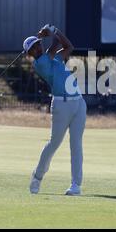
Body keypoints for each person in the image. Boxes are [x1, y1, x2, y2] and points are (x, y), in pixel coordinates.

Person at [25, 24, 87, 196]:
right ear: (30, 54)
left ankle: (76, 185)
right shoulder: (41, 63)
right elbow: (55, 45)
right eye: (33, 48)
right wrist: (51, 32)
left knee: (76, 145)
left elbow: (68, 46)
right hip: (61, 105)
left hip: (79, 103)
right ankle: (37, 176)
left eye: (37, 44)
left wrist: (54, 31)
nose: (37, 47)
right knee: (54, 143)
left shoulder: (56, 59)